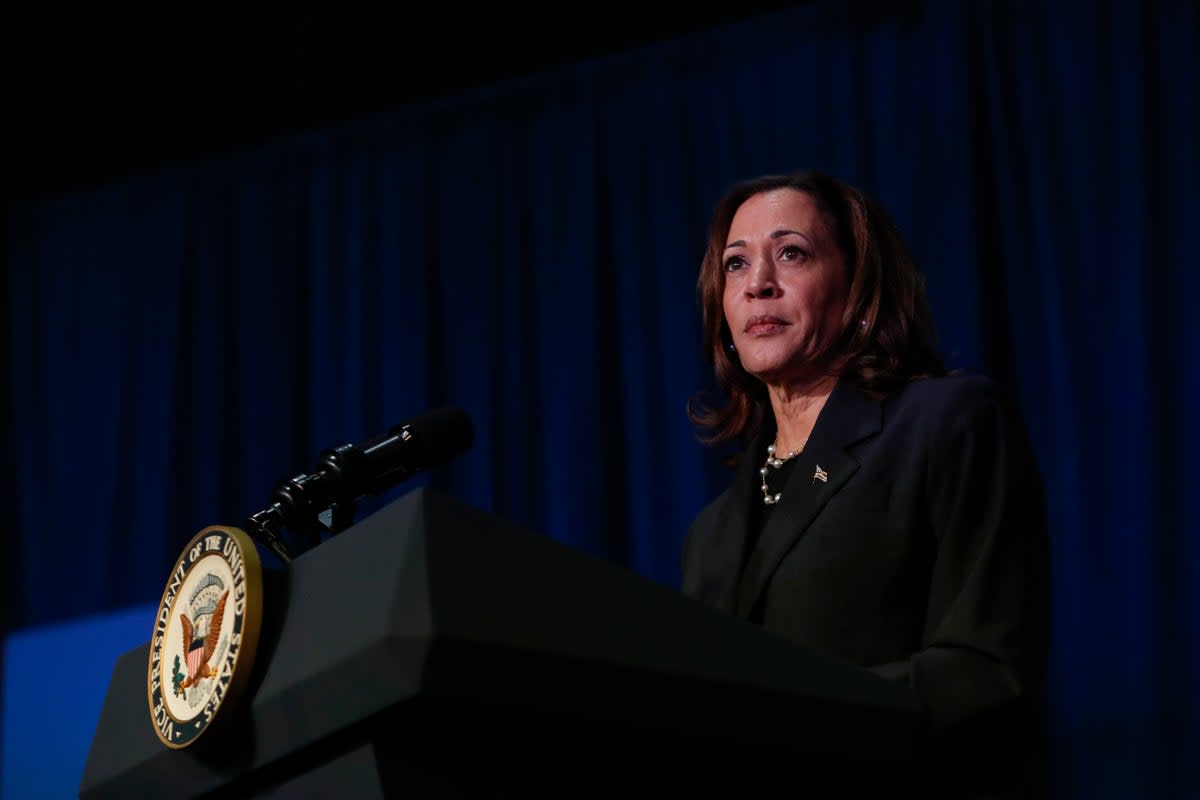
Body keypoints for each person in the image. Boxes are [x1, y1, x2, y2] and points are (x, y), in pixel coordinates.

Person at [681, 170, 1052, 798]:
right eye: (736, 265)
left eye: (791, 253)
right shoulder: (712, 531)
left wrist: (794, 723)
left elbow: (987, 671)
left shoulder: (946, 424)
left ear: (857, 284)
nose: (758, 284)